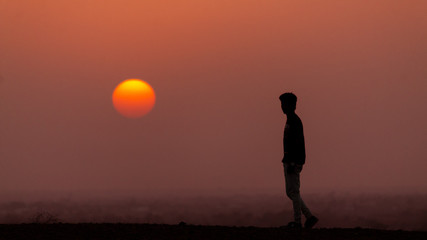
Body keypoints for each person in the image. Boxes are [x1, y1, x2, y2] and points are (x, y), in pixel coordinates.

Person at [279, 92, 318, 229]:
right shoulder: (291, 120)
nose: (282, 107)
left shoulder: (295, 121)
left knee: (294, 192)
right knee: (291, 192)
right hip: (290, 160)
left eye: (284, 104)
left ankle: (298, 222)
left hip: (293, 161)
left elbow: (297, 143)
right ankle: (309, 217)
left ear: (291, 105)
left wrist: (293, 162)